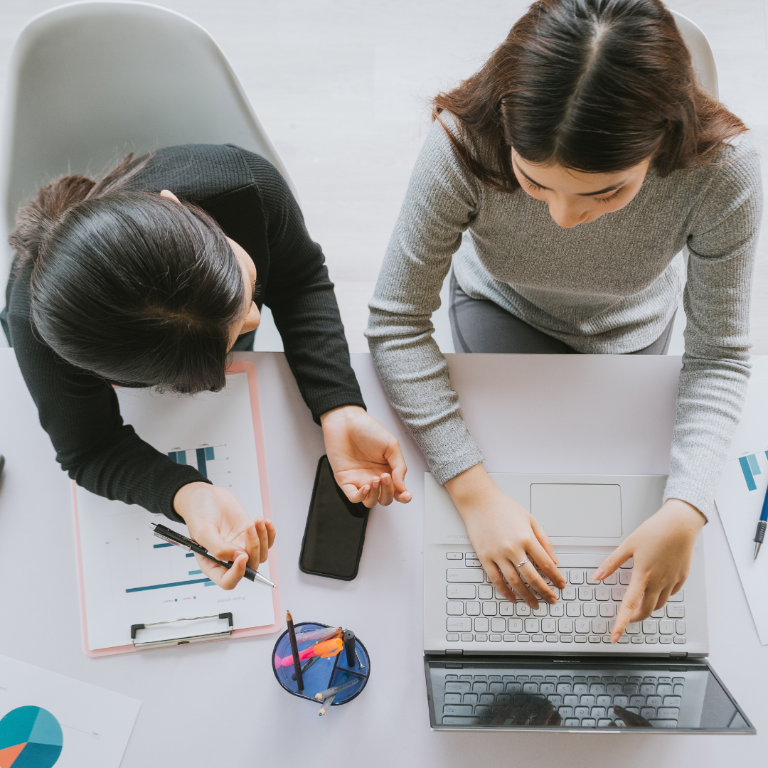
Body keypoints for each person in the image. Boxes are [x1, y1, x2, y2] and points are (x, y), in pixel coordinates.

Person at [367, 0, 762, 641]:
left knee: (619, 499)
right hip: (501, 308)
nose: (562, 218)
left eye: (605, 192)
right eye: (533, 182)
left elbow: (719, 355)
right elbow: (395, 324)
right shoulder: (461, 142)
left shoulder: (724, 173)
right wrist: (473, 494)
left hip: (636, 330)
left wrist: (688, 508)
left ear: (663, 141)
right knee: (505, 487)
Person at [4, 144, 411, 588]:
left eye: (249, 288)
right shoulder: (39, 332)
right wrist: (187, 494)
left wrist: (339, 405)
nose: (257, 318)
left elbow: (300, 279)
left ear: (175, 206)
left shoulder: (245, 187)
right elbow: (89, 450)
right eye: (234, 335)